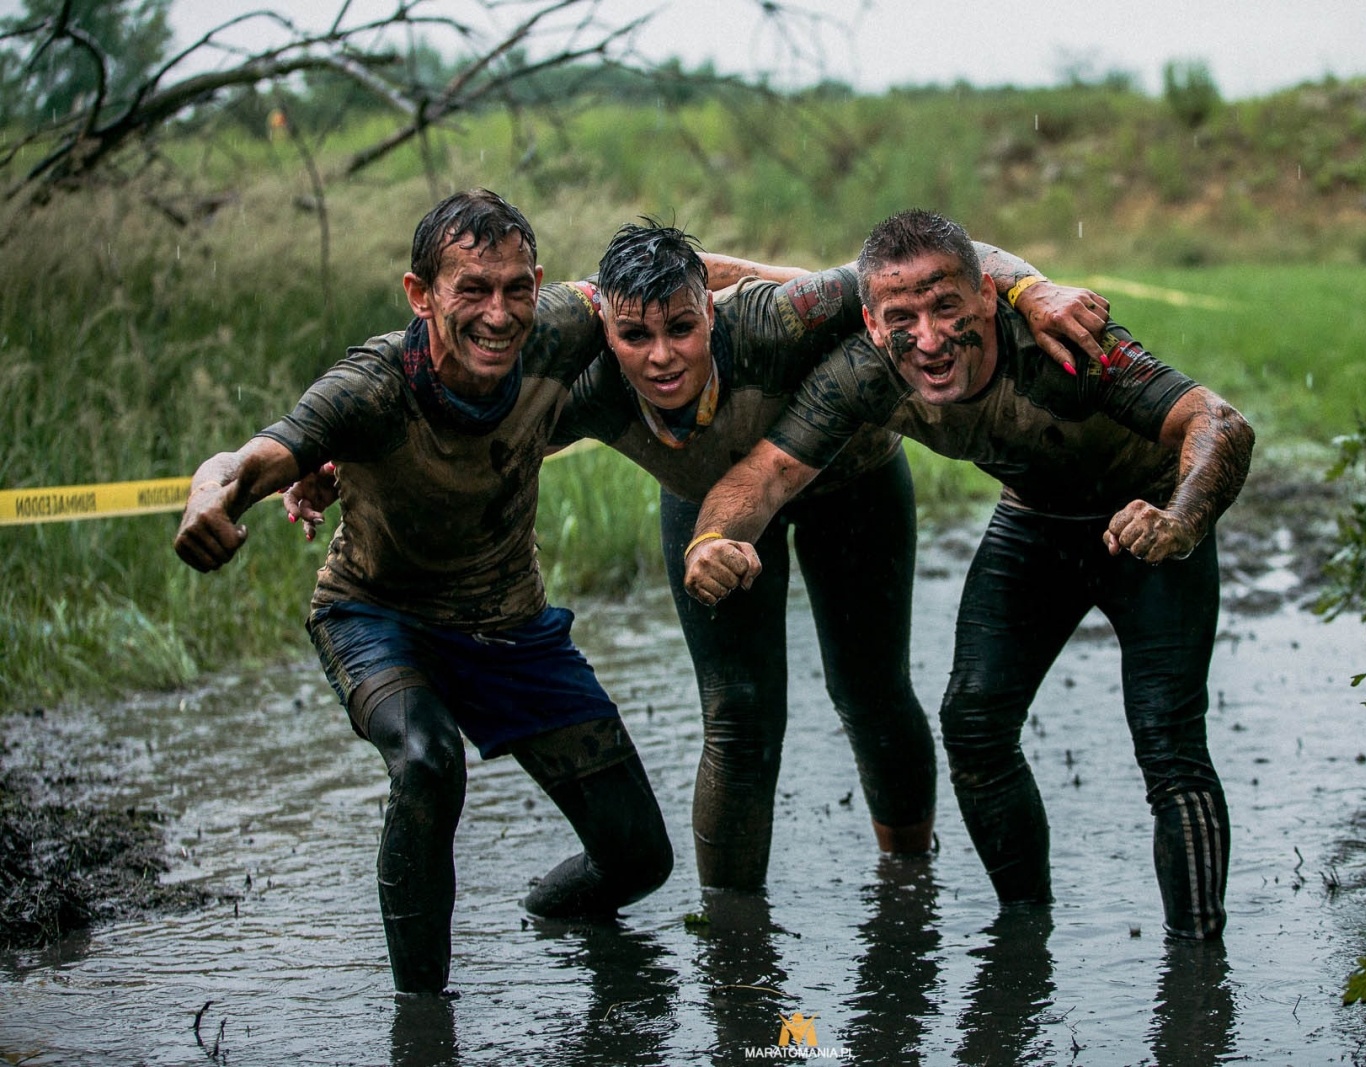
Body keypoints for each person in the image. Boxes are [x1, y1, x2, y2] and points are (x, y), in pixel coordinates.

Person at [289, 219, 1113, 893]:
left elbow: (937, 262)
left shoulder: (776, 315)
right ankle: (731, 934)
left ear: (711, 315)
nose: (660, 356)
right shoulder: (585, 383)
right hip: (709, 503)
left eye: (681, 328)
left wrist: (1032, 289)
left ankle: (908, 879)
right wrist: (341, 465)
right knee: (738, 711)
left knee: (869, 688)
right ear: (604, 334)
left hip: (847, 480)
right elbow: (460, 426)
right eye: (634, 336)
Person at [684, 209, 1255, 939]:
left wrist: (1178, 521)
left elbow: (1219, 421)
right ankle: (1024, 932)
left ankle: (1199, 967)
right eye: (903, 317)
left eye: (947, 306)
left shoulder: (1060, 341)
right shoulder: (865, 369)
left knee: (1169, 742)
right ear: (871, 320)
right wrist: (709, 539)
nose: (928, 338)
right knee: (975, 724)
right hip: (1036, 521)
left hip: (1146, 524)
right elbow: (765, 474)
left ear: (989, 295)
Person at [173, 189, 675, 996]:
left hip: (509, 626)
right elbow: (249, 457)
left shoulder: (562, 324)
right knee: (429, 760)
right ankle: (424, 1022)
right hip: (375, 617)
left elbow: (678, 285)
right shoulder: (371, 386)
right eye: (471, 290)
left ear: (537, 282)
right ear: (421, 294)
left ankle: (546, 925)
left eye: (515, 288)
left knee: (640, 859)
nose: (498, 314)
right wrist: (208, 498)